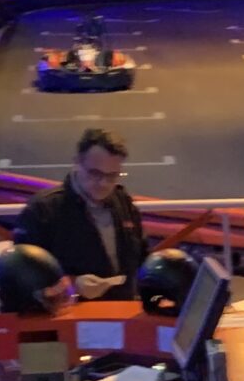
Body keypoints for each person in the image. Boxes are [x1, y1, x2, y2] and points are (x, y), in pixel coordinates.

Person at [14, 127, 149, 298]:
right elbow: (24, 276)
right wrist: (73, 285)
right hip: (70, 311)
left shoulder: (123, 202)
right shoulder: (43, 209)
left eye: (113, 176)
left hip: (124, 308)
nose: (104, 183)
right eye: (95, 173)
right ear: (77, 162)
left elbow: (142, 257)